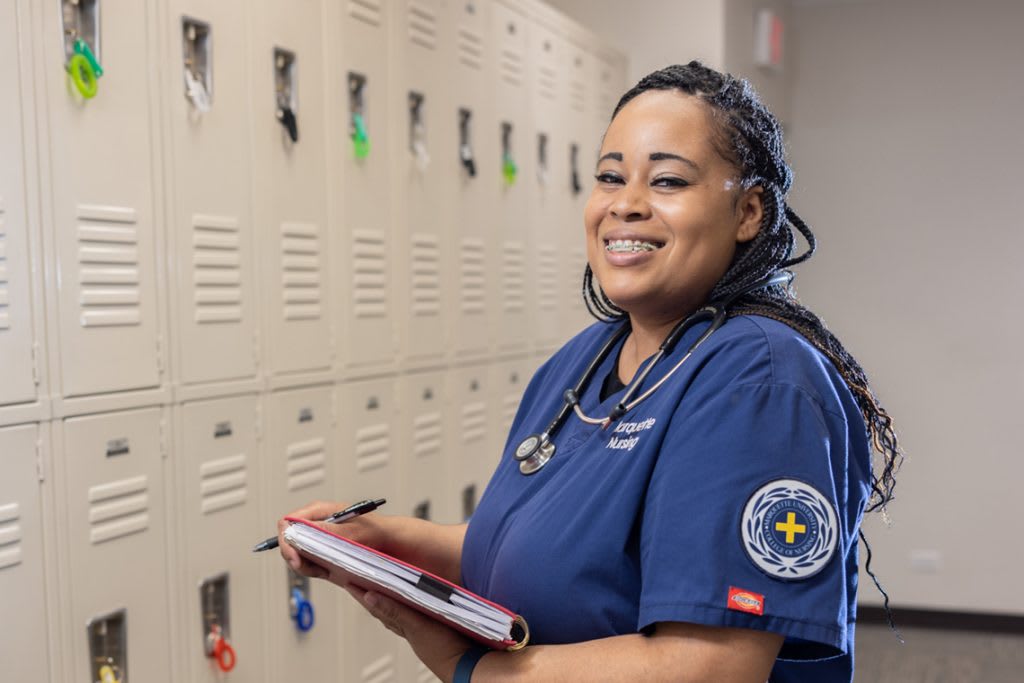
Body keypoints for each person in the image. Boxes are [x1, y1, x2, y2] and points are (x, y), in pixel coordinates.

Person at [278, 61, 902, 682]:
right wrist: (377, 540)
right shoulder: (584, 360)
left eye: (668, 182)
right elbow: (531, 550)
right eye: (609, 177)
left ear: (749, 213)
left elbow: (707, 669)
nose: (626, 205)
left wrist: (475, 672)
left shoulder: (759, 383)